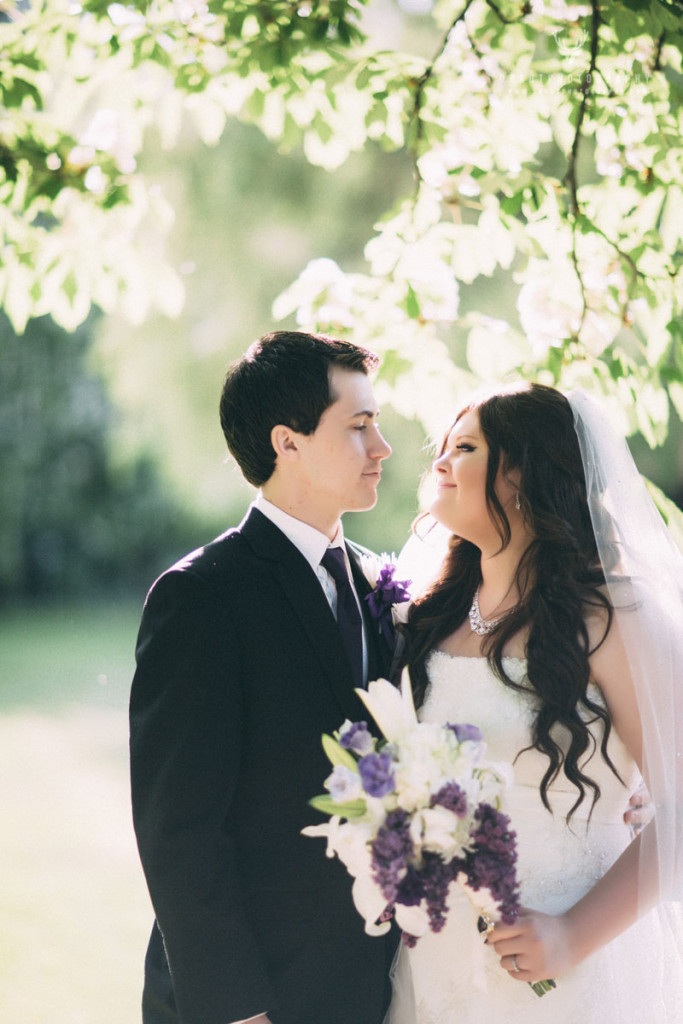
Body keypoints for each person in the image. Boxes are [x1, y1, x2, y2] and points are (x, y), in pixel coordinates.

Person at [387, 381, 683, 1024]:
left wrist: (573, 934)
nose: (437, 462)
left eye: (463, 447)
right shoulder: (425, 618)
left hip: (567, 965)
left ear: (524, 475)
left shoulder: (612, 619)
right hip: (437, 963)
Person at [129, 330, 398, 1024]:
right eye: (359, 426)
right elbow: (178, 832)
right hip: (253, 996)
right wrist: (237, 1010)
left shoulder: (380, 584)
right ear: (288, 443)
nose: (382, 448)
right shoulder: (202, 596)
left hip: (368, 984)